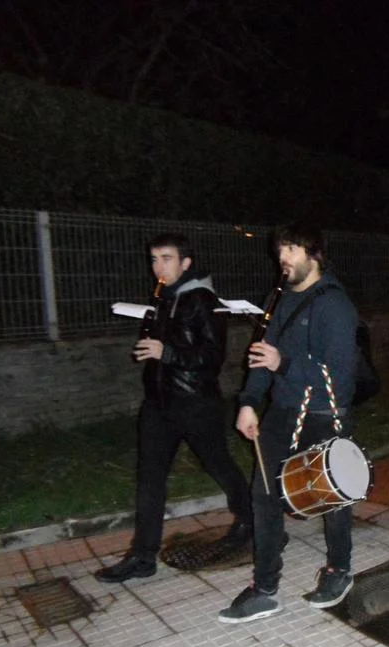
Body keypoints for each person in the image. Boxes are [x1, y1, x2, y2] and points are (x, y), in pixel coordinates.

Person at [219, 225, 359, 622]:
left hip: (323, 413)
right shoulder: (276, 299)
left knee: (331, 497)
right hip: (282, 411)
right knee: (263, 494)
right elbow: (262, 357)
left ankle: (339, 568)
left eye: (292, 249)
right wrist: (249, 402)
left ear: (314, 254)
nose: (282, 258)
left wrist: (285, 364)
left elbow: (339, 377)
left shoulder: (335, 305)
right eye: (280, 250)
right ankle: (264, 588)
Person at [96, 233, 251, 583]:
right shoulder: (164, 298)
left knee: (219, 464)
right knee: (149, 478)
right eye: (154, 259)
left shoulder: (202, 300)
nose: (158, 267)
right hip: (159, 403)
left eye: (166, 259)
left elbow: (212, 356)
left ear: (186, 263)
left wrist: (165, 352)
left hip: (196, 402)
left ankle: (252, 518)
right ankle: (142, 556)